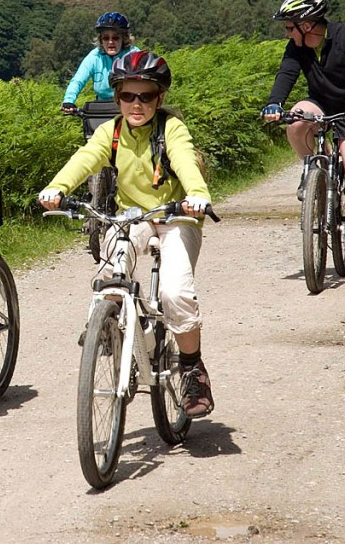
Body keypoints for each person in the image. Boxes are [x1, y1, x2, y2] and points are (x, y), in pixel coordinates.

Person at [39, 50, 215, 418]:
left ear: (159, 98)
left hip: (176, 217)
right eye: (127, 96)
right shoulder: (112, 131)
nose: (136, 104)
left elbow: (183, 159)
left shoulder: (171, 129)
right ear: (116, 97)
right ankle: (109, 327)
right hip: (134, 216)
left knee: (174, 293)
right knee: (110, 273)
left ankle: (192, 369)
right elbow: (85, 158)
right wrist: (56, 188)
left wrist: (197, 195)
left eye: (146, 96)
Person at [261, 0, 345, 261]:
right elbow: (287, 73)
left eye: (289, 27)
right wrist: (274, 104)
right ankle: (317, 168)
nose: (287, 33)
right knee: (295, 120)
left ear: (306, 26)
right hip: (321, 103)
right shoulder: (297, 47)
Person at [60, 12, 138, 113]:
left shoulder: (134, 54)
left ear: (124, 39)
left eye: (115, 37)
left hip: (129, 106)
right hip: (102, 110)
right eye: (106, 38)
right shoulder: (94, 56)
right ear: (101, 41)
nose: (110, 42)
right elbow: (78, 80)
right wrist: (69, 100)